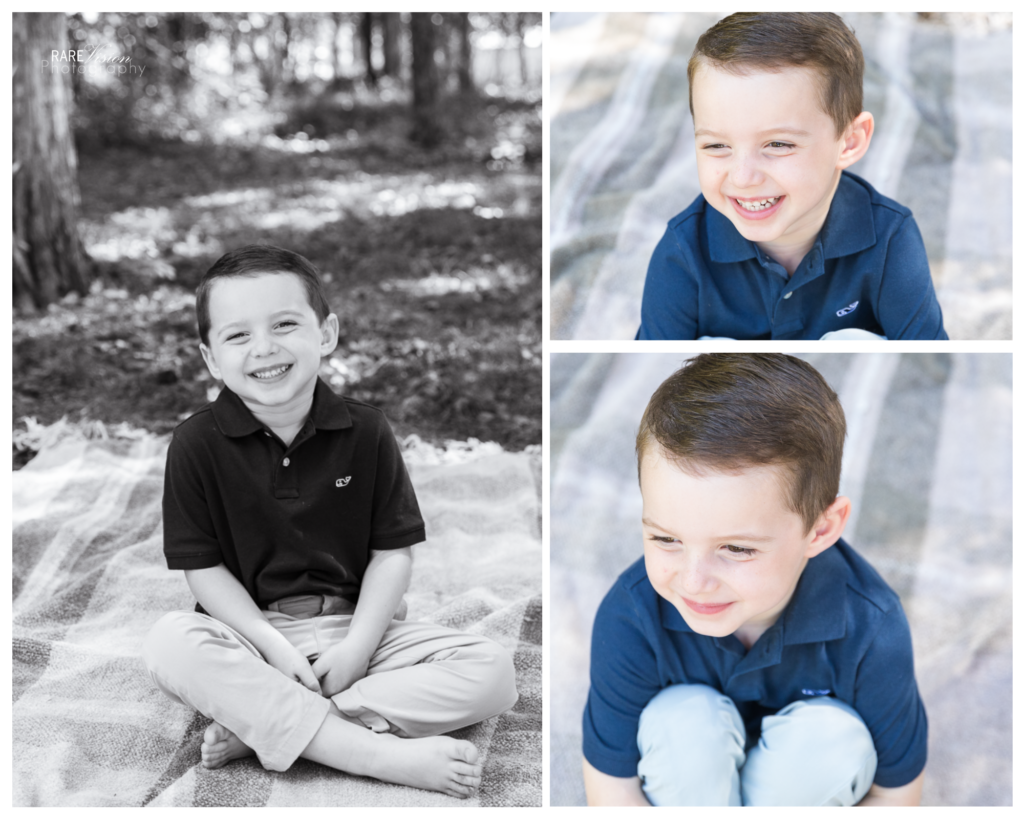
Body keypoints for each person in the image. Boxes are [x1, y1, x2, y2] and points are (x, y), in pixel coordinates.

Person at [142, 245, 517, 799]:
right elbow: (204, 569)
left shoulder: (366, 431)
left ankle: (274, 726)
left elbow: (392, 554)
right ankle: (370, 753)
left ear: (326, 333)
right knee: (168, 643)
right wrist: (272, 646)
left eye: (285, 324)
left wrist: (359, 649)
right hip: (250, 637)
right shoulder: (196, 444)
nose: (264, 348)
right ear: (211, 358)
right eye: (238, 335)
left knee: (492, 673)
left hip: (358, 629)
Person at [582, 354, 927, 806]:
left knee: (832, 739)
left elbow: (896, 797)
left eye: (737, 548)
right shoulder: (631, 616)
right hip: (688, 785)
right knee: (682, 722)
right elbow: (611, 790)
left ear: (820, 530)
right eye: (666, 538)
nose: (693, 580)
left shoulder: (872, 628)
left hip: (802, 784)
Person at [635, 13, 948, 340]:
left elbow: (923, 349)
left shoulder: (890, 238)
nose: (742, 177)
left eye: (778, 144)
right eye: (716, 145)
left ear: (849, 142)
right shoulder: (683, 252)